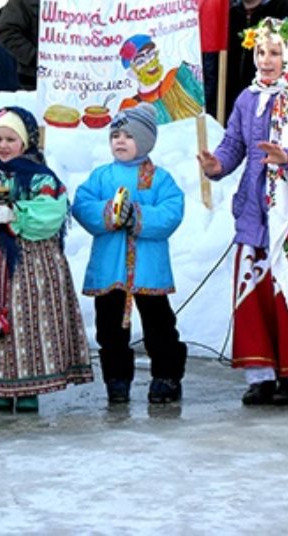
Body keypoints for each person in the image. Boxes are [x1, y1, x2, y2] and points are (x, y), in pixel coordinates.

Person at [197, 17, 288, 405]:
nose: (266, 60)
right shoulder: (247, 98)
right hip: (255, 219)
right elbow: (234, 144)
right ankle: (261, 376)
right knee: (255, 299)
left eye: (275, 52)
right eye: (261, 52)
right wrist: (217, 165)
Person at [0, 106, 93, 412]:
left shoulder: (40, 178)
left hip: (31, 262)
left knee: (31, 319)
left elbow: (53, 211)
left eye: (10, 138)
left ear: (25, 142)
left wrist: (16, 215)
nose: (3, 145)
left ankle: (28, 389)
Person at [73, 103, 186, 404]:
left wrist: (137, 217)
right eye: (116, 135)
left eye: (128, 136)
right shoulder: (100, 177)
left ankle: (167, 375)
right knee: (109, 328)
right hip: (110, 268)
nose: (120, 141)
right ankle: (117, 378)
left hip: (149, 267)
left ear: (146, 141)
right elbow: (82, 205)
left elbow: (171, 212)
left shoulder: (160, 179)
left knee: (158, 324)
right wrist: (108, 213)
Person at [118, 34, 204, 124]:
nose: (149, 62)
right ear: (131, 73)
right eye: (140, 61)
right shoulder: (132, 108)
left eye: (151, 54)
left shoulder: (179, 79)